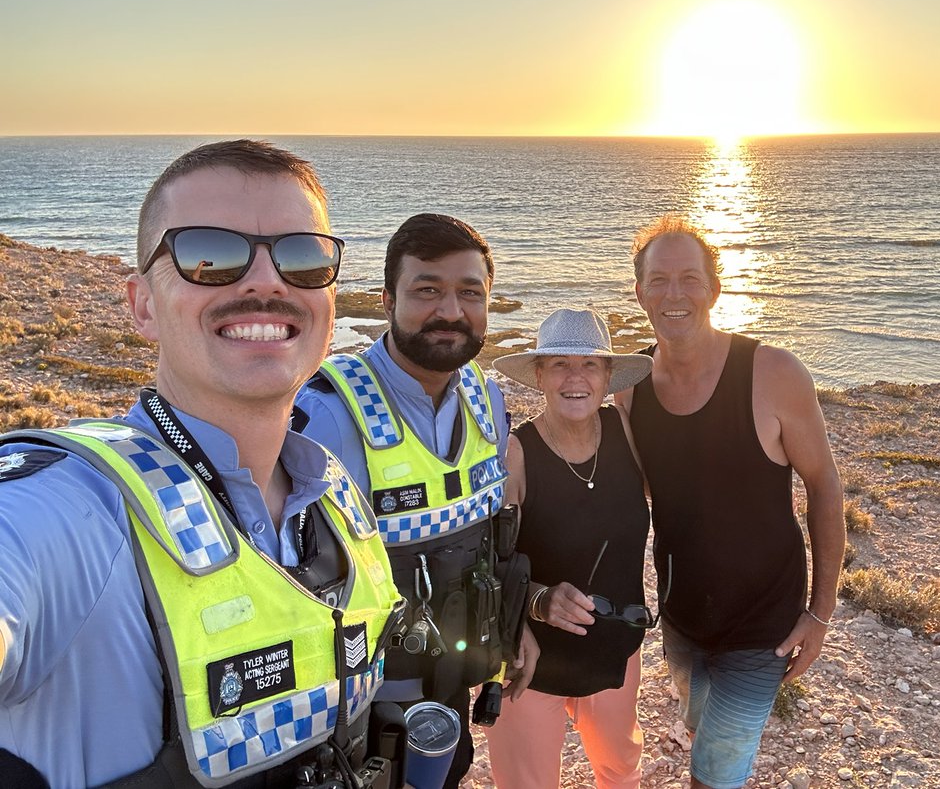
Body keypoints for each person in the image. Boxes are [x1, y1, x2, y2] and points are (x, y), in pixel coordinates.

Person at [0, 140, 405, 788]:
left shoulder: (333, 494)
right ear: (142, 305)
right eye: (208, 255)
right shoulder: (75, 510)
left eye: (302, 257)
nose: (267, 282)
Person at [295, 213, 534, 788]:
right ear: (386, 299)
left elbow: (488, 535)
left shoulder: (486, 398)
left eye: (470, 293)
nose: (451, 311)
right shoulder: (326, 413)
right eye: (427, 290)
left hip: (451, 690)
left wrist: (515, 622)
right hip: (355, 713)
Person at [616, 214, 846, 789]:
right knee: (700, 730)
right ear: (640, 291)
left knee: (719, 766)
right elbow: (629, 495)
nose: (675, 294)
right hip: (683, 612)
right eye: (659, 280)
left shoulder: (773, 373)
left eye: (691, 278)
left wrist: (819, 612)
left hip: (764, 618)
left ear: (715, 288)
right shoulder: (628, 392)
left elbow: (824, 486)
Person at [486, 309, 654, 789]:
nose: (575, 377)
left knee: (621, 770)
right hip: (530, 658)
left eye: (590, 364)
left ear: (607, 377)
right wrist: (536, 603)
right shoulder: (514, 453)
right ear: (539, 375)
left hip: (617, 644)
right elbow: (482, 558)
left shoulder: (626, 430)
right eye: (559, 364)